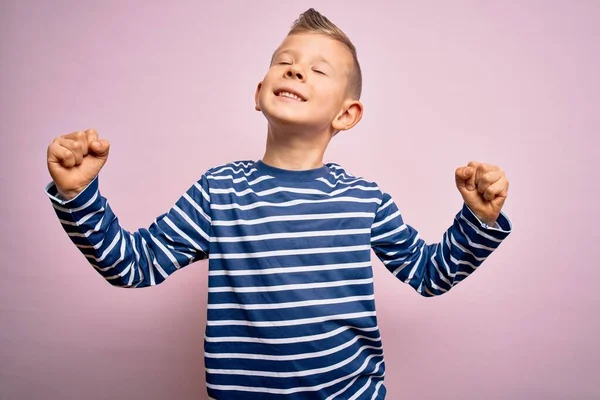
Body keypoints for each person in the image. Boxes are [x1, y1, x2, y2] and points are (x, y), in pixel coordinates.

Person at [44, 8, 512, 400]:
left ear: (346, 114)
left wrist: (478, 219)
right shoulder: (219, 191)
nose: (295, 69)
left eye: (318, 69)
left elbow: (429, 274)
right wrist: (78, 194)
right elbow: (133, 265)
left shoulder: (364, 200)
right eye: (284, 61)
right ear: (258, 94)